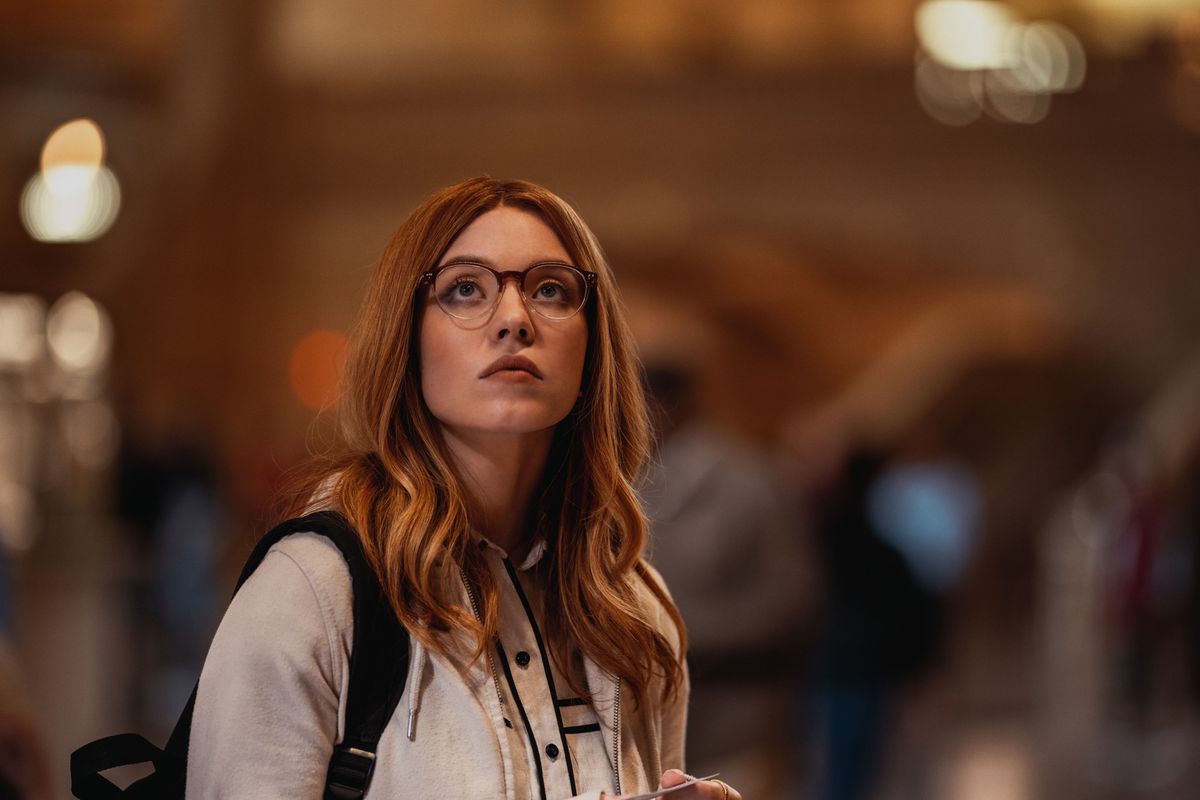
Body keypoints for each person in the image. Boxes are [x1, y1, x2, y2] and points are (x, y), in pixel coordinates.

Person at [186, 177, 741, 800]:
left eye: (551, 289)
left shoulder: (635, 611)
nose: (514, 319)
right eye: (465, 289)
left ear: (592, 347)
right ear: (408, 338)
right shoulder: (315, 592)